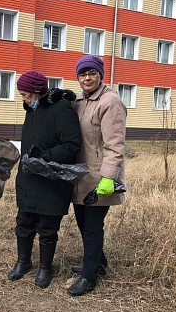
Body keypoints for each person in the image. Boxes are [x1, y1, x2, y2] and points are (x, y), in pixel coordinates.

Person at [9, 70, 81, 289]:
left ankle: (45, 268)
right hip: (30, 178)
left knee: (48, 228)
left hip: (52, 180)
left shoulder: (62, 109)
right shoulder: (32, 109)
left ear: (36, 91)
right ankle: (23, 262)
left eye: (24, 94)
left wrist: (45, 158)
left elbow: (71, 144)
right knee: (23, 223)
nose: (23, 98)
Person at [68, 55, 127, 296]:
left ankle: (89, 277)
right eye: (83, 74)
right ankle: (98, 263)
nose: (87, 78)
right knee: (83, 223)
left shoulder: (110, 102)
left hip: (100, 178)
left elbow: (115, 145)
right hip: (81, 175)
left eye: (92, 73)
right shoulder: (80, 100)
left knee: (92, 226)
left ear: (101, 75)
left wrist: (109, 178)